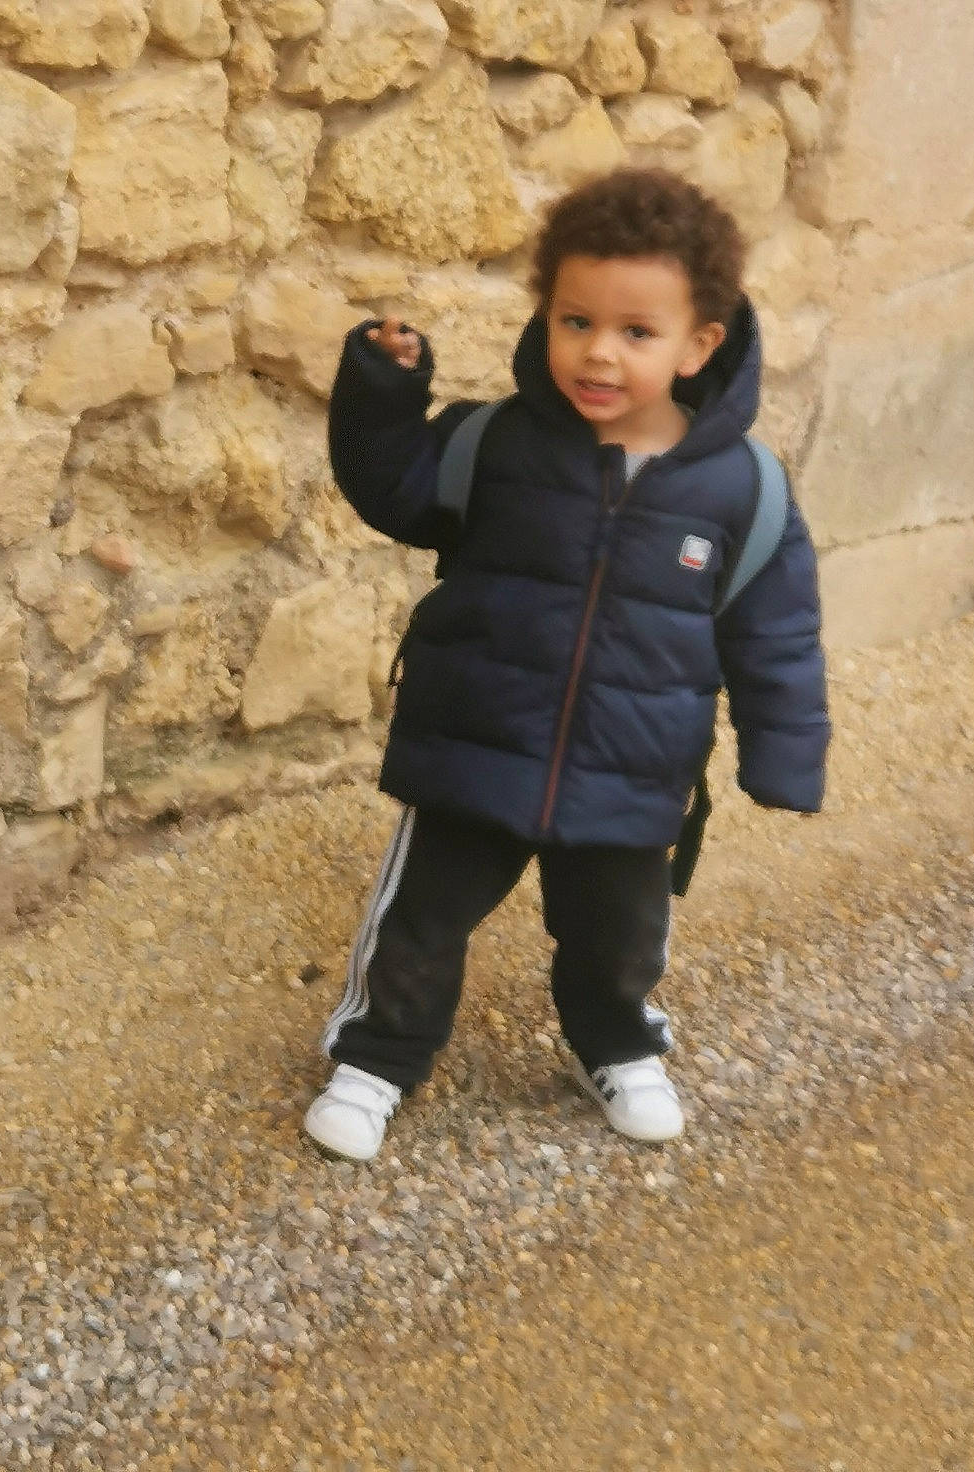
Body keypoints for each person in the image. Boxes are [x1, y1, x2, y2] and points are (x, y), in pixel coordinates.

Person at [305, 167, 830, 1160]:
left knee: (619, 935)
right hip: (476, 743)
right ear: (545, 314)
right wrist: (384, 393)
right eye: (576, 320)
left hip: (636, 766)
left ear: (699, 343)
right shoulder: (494, 441)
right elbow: (390, 488)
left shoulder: (743, 490)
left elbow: (778, 636)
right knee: (421, 919)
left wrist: (786, 757)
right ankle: (376, 1058)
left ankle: (619, 1044)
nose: (599, 351)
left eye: (637, 332)